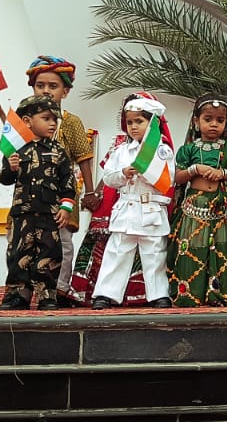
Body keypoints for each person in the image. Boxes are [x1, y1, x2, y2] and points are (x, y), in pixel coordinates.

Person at [72, 91, 168, 307]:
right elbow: (108, 177)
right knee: (116, 252)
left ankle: (158, 295)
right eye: (130, 122)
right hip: (126, 209)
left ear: (152, 123)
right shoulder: (121, 151)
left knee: (154, 253)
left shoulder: (161, 150)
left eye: (139, 121)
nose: (133, 127)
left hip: (150, 209)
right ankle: (105, 294)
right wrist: (123, 173)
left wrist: (144, 171)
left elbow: (166, 179)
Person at [23, 55, 98, 307]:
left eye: (53, 86)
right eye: (40, 85)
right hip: (30, 196)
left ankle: (59, 290)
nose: (46, 90)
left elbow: (84, 157)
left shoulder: (71, 122)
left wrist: (90, 192)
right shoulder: (24, 121)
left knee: (62, 243)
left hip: (62, 196)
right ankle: (24, 291)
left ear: (65, 91)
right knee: (26, 243)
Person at [0, 95, 76, 311]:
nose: (52, 124)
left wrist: (66, 207)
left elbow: (68, 182)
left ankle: (47, 296)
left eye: (55, 119)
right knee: (18, 254)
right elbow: (4, 179)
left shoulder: (58, 151)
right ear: (27, 121)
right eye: (46, 118)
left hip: (49, 214)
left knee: (49, 255)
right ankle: (18, 295)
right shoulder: (15, 149)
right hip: (22, 213)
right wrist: (10, 168)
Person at [168, 95, 227, 307]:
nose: (214, 124)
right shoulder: (188, 149)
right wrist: (195, 169)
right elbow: (178, 178)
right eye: (208, 119)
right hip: (194, 207)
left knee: (222, 248)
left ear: (226, 123)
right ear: (196, 121)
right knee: (192, 248)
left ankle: (222, 293)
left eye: (220, 120)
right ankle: (190, 294)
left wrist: (223, 173)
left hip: (220, 207)